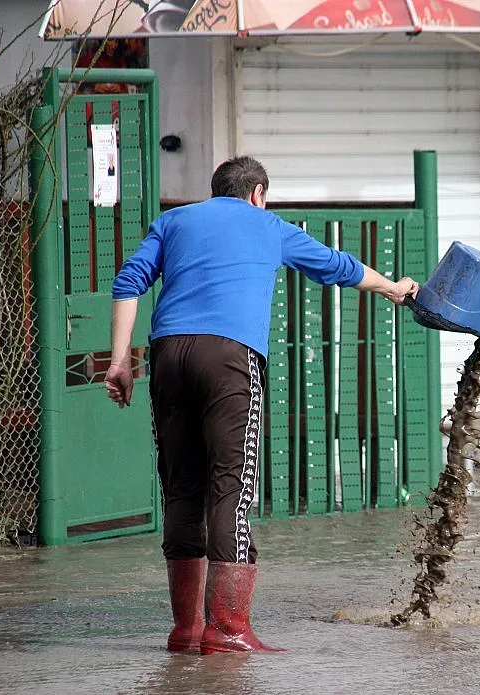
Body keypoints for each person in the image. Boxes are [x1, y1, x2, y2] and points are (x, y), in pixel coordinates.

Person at [103, 156, 419, 654]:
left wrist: (121, 361)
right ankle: (227, 631)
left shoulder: (173, 221)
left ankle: (187, 630)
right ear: (257, 193)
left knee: (182, 487)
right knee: (231, 486)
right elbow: (336, 267)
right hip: (229, 356)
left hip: (168, 355)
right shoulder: (268, 224)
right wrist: (391, 288)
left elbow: (128, 281)